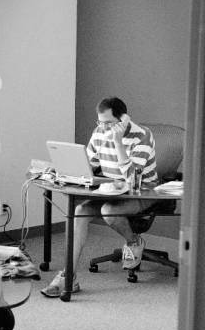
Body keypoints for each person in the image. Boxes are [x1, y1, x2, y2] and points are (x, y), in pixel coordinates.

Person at [41, 97, 157, 297]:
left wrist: (118, 142)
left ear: (124, 120)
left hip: (142, 191)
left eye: (108, 123)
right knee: (79, 211)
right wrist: (64, 170)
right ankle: (69, 276)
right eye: (100, 122)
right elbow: (89, 164)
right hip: (111, 190)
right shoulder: (99, 133)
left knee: (108, 211)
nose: (103, 128)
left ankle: (133, 241)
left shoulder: (143, 136)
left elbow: (132, 177)